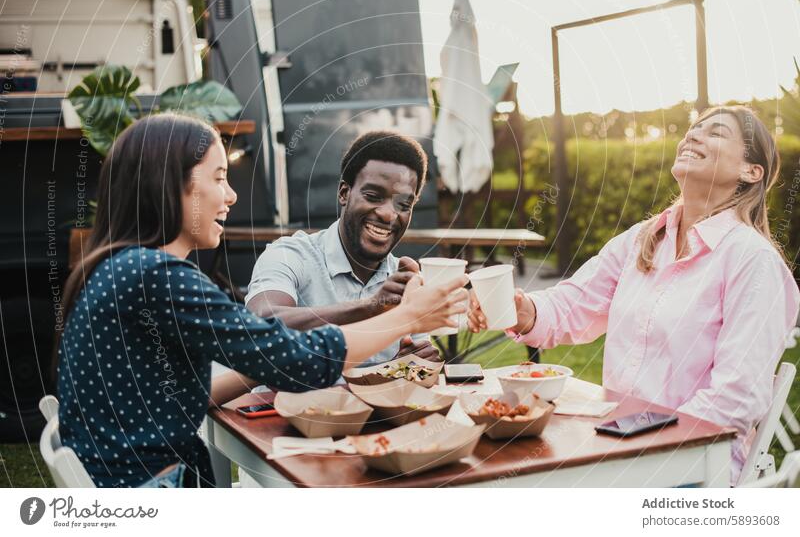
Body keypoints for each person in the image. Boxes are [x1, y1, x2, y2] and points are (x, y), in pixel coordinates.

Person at [57, 114, 467, 488]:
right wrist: (406, 318)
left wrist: (261, 365)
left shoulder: (121, 268)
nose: (232, 195)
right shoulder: (157, 277)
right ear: (169, 184)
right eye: (219, 178)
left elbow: (178, 396)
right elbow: (300, 358)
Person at [468, 105, 799, 486]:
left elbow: (735, 397)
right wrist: (523, 309)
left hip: (691, 467)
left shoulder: (753, 262)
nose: (693, 136)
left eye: (716, 133)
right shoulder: (642, 240)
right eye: (694, 128)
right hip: (616, 443)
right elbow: (573, 305)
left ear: (750, 171)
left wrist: (643, 449)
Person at [246, 130, 440, 365]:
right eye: (373, 196)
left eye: (403, 204)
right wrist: (369, 307)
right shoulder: (290, 255)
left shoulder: (406, 281)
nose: (388, 214)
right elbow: (260, 324)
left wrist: (406, 366)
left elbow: (412, 366)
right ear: (344, 193)